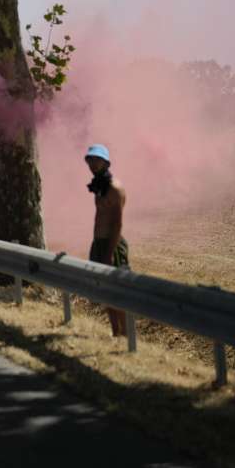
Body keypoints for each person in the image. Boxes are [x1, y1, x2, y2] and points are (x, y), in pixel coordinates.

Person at [85, 143, 130, 337]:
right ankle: (116, 334)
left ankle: (127, 337)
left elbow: (117, 225)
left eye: (97, 160)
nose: (92, 164)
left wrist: (109, 254)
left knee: (118, 292)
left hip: (112, 246)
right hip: (99, 243)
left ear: (106, 163)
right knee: (106, 292)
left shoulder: (114, 189)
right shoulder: (99, 187)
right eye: (90, 160)